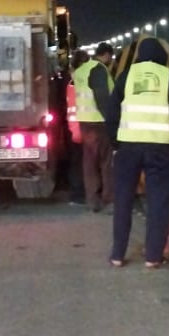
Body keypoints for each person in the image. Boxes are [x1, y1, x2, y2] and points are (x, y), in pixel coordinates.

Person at [106, 36, 169, 267]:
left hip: (128, 147)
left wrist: (115, 144)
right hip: (160, 148)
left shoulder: (126, 77)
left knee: (123, 200)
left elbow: (112, 113)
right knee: (159, 202)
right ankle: (153, 257)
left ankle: (117, 255)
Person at [73, 42, 114, 211]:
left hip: (85, 122)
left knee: (90, 162)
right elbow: (102, 98)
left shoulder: (80, 71)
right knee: (106, 162)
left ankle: (92, 200)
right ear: (106, 55)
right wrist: (111, 120)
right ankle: (108, 199)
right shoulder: (98, 69)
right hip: (99, 122)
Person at [65, 49, 88, 203]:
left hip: (73, 128)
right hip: (84, 126)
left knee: (76, 162)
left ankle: (76, 194)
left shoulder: (70, 83)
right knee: (84, 163)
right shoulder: (83, 81)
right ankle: (82, 193)